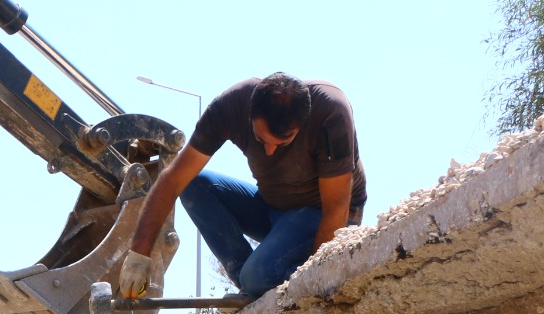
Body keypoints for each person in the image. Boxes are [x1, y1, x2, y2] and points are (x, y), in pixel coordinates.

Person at [121, 73, 366, 300]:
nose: (269, 152)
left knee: (258, 276)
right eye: (261, 141)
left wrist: (318, 281)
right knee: (194, 184)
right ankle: (248, 284)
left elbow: (336, 207)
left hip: (322, 214)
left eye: (282, 144)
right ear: (250, 112)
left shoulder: (330, 112)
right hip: (272, 208)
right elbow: (173, 179)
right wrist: (138, 255)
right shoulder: (230, 106)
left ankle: (259, 282)